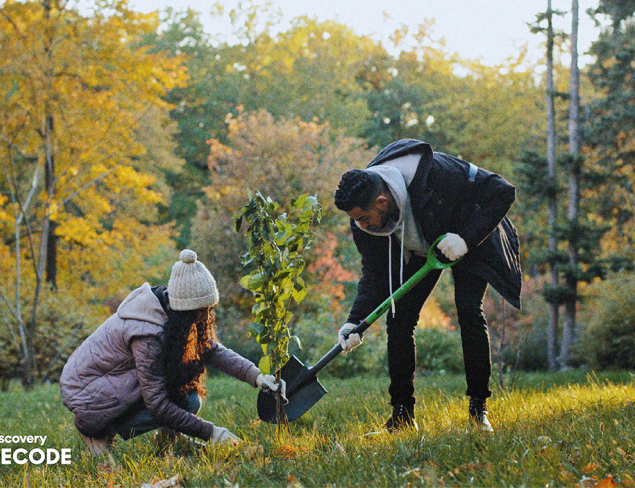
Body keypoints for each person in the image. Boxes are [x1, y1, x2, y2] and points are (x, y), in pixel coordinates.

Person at [333, 139, 521, 433]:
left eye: (364, 218)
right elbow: (374, 274)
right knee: (398, 320)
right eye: (357, 220)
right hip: (422, 245)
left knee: (469, 311)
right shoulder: (366, 221)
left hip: (471, 234)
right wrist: (354, 321)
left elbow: (503, 191)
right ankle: (402, 415)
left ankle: (478, 409)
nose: (362, 225)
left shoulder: (438, 174)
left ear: (382, 202)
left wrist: (465, 240)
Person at [60, 249, 284, 455]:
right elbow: (157, 404)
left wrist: (258, 377)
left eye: (208, 309)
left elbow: (211, 349)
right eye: (201, 311)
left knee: (190, 400)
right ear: (185, 311)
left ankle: (171, 440)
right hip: (88, 393)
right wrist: (213, 433)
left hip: (108, 383)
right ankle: (96, 430)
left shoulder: (172, 311)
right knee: (166, 390)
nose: (206, 317)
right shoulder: (146, 334)